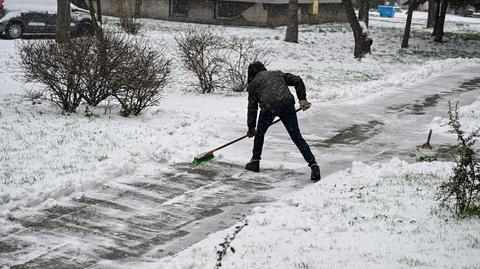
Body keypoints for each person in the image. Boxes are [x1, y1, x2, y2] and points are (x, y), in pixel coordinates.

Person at [245, 61, 321, 181]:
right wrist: (302, 99)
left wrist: (251, 128)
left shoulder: (253, 85)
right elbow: (297, 80)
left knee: (260, 134)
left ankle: (255, 161)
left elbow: (252, 108)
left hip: (268, 108)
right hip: (286, 104)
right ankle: (313, 164)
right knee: (296, 136)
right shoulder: (277, 74)